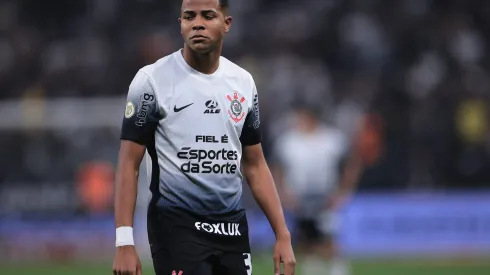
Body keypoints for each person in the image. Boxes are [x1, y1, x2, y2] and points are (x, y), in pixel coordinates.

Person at [112, 0, 296, 275]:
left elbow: (255, 165)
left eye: (208, 15)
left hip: (231, 227)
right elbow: (129, 164)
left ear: (226, 23)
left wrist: (283, 235)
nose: (197, 23)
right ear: (181, 24)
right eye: (189, 16)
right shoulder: (151, 81)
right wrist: (124, 242)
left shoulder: (243, 83)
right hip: (175, 227)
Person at [273, 103, 363, 275]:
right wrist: (283, 193)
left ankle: (338, 269)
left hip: (325, 196)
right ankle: (312, 269)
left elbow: (353, 162)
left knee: (327, 237)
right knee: (305, 238)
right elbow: (276, 168)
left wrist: (344, 190)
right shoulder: (288, 141)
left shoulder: (331, 139)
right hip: (299, 197)